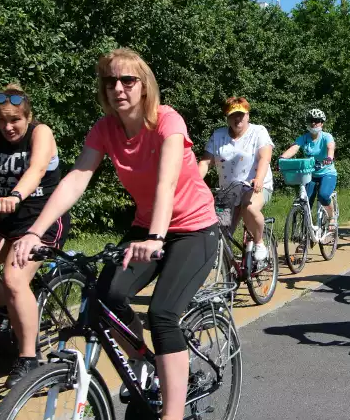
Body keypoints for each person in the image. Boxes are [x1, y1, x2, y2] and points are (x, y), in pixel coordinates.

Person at [13, 48, 218, 420]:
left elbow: (166, 181)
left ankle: (172, 415)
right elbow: (77, 178)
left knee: (163, 314)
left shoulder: (167, 121)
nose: (118, 88)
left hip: (193, 227)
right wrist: (36, 232)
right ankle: (148, 363)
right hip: (147, 227)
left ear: (144, 84)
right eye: (110, 81)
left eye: (127, 80)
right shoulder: (105, 128)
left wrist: (156, 238)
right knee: (107, 299)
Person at [0, 84, 68, 388]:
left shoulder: (40, 132)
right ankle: (12, 312)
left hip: (41, 217)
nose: (8, 127)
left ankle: (29, 359)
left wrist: (16, 195)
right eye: (3, 120)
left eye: (15, 119)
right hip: (2, 216)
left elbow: (37, 168)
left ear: (28, 116)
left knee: (15, 279)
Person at [199, 97, 273, 261]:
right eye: (233, 115)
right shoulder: (218, 136)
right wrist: (193, 183)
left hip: (255, 186)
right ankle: (230, 273)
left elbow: (265, 157)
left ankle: (260, 242)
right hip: (229, 191)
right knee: (221, 232)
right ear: (227, 117)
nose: (237, 118)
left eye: (241, 114)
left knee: (250, 208)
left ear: (248, 115)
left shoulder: (258, 131)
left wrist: (259, 178)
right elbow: (206, 162)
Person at [280, 109, 337, 231]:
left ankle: (332, 217)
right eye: (311, 121)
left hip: (327, 173)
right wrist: (282, 158)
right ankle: (305, 237)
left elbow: (330, 147)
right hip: (310, 174)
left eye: (317, 121)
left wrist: (329, 157)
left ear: (322, 123)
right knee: (305, 203)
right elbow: (294, 148)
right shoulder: (304, 138)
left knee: (323, 195)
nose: (314, 124)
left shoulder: (326, 136)